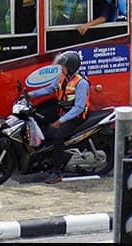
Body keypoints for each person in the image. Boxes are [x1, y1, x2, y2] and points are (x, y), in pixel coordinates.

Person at [26, 50, 90, 184]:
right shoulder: (62, 78)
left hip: (75, 117)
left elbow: (78, 108)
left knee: (58, 137)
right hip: (62, 111)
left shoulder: (81, 83)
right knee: (38, 119)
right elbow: (49, 89)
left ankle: (57, 172)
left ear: (70, 67)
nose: (61, 68)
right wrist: (30, 95)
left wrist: (60, 121)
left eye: (63, 66)